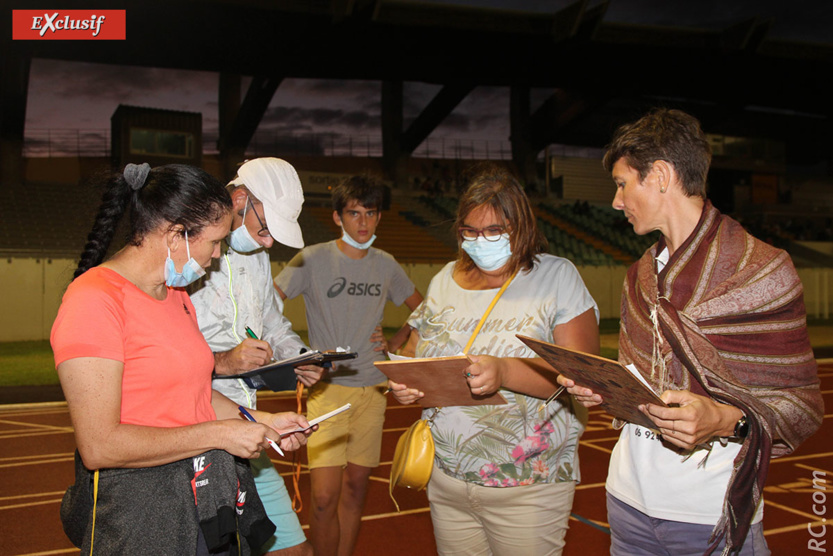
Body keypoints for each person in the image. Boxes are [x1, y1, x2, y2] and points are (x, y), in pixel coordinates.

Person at [559, 108, 824, 555]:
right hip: (627, 502)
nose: (616, 201)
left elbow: (802, 405)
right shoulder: (639, 276)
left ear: (661, 176)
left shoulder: (763, 272)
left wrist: (725, 419)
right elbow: (641, 386)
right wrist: (603, 390)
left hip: (710, 514)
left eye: (622, 184)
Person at [51, 163, 314, 555]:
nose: (218, 255)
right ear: (176, 235)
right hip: (140, 514)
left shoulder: (175, 296)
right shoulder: (93, 300)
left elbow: (196, 393)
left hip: (200, 496)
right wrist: (220, 434)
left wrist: (262, 421)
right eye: (215, 242)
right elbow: (100, 445)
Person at [390, 163, 600, 556]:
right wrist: (407, 382)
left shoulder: (557, 277)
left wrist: (504, 371)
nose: (479, 240)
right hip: (446, 478)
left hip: (528, 485)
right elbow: (414, 350)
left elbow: (583, 375)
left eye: (493, 231)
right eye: (469, 231)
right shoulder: (444, 279)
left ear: (521, 228)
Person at [274, 175, 423, 556]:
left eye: (371, 213)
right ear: (338, 217)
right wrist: (295, 351)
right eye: (354, 213)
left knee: (356, 490)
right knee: (324, 498)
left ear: (379, 217)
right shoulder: (312, 258)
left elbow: (423, 310)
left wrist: (395, 343)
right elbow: (269, 301)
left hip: (373, 389)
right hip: (327, 392)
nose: (363, 222)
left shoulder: (386, 264)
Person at [190, 158, 324, 556]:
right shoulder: (189, 257)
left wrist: (298, 357)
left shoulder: (258, 258)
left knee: (295, 550)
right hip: (197, 434)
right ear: (240, 200)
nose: (268, 243)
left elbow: (272, 322)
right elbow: (165, 352)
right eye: (265, 229)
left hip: (248, 427)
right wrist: (223, 361)